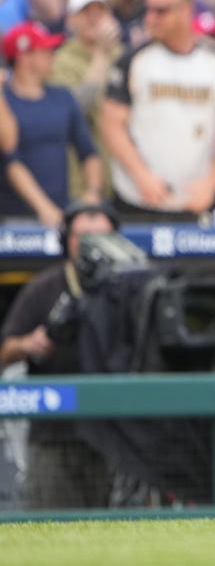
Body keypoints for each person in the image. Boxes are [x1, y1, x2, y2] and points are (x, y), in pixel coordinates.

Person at [100, 0, 215, 222]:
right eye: (147, 10)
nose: (151, 18)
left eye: (161, 11)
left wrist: (212, 180)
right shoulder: (134, 59)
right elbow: (111, 123)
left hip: (193, 200)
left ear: (186, 10)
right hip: (136, 196)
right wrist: (140, 175)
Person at [0, 200, 118, 509]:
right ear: (67, 240)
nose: (92, 246)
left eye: (100, 237)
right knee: (52, 526)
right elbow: (5, 350)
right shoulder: (44, 288)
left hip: (116, 436)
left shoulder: (126, 289)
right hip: (53, 433)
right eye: (83, 236)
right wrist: (28, 344)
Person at [1, 21, 102, 225]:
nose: (52, 55)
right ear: (24, 57)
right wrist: (43, 207)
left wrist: (92, 193)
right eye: (45, 51)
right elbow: (10, 158)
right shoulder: (5, 100)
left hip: (61, 208)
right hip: (11, 216)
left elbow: (88, 151)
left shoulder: (62, 97)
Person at [50, 0, 121, 200]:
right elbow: (75, 110)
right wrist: (101, 56)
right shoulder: (60, 61)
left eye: (100, 10)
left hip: (126, 178)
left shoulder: (126, 57)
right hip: (83, 178)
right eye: (85, 11)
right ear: (71, 19)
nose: (93, 17)